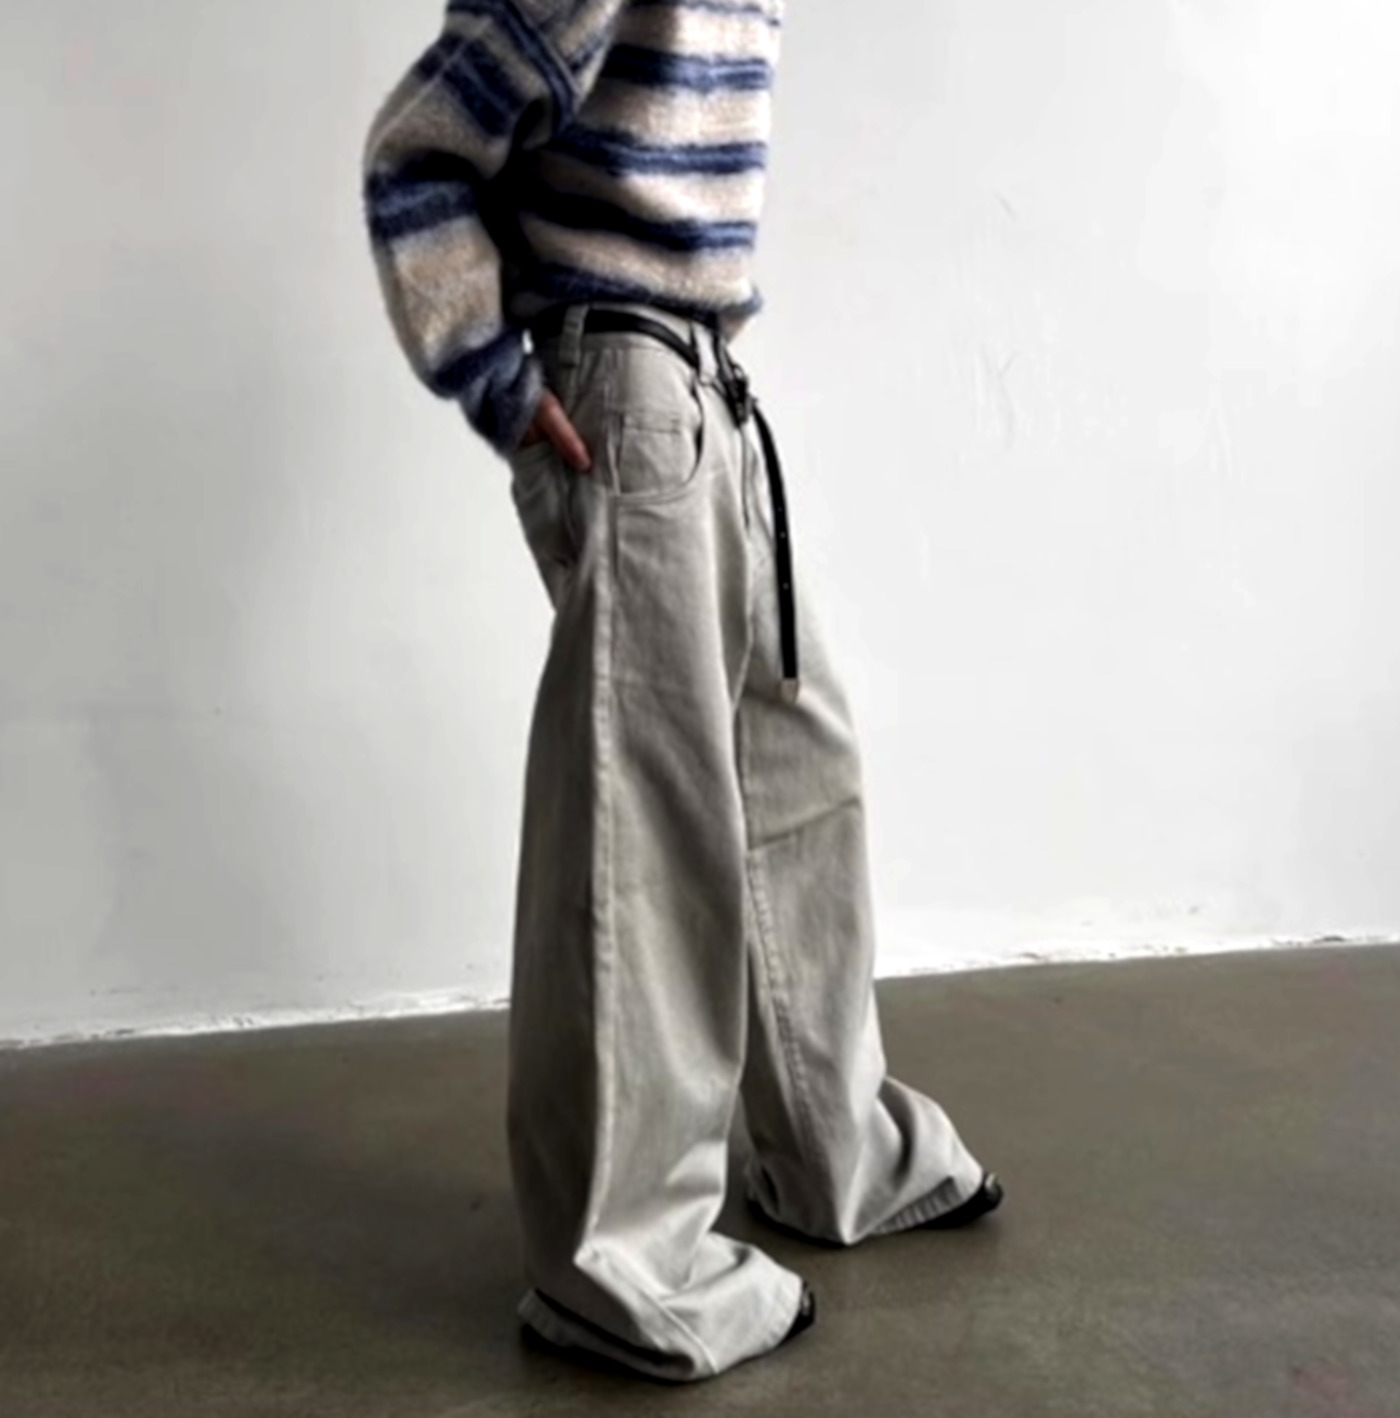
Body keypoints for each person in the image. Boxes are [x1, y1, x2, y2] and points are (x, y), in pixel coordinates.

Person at [360, 0, 1003, 1383]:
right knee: (640, 832)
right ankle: (616, 1265)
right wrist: (495, 378)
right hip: (622, 386)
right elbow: (417, 156)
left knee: (796, 766)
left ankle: (831, 1147)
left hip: (705, 383)